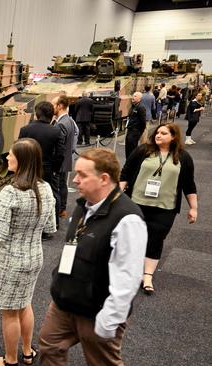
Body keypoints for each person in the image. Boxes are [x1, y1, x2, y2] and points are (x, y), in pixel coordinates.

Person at [39, 148, 147, 366]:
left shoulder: (127, 219)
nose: (75, 180)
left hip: (97, 311)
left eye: (82, 175)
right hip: (64, 303)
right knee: (49, 346)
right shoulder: (83, 204)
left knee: (101, 362)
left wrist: (109, 320)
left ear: (104, 179)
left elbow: (128, 277)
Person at [0, 138, 56, 366]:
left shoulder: (10, 192)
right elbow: (51, 228)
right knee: (25, 303)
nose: (6, 158)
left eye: (10, 154)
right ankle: (27, 352)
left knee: (9, 312)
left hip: (11, 259)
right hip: (35, 256)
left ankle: (11, 360)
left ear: (21, 160)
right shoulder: (46, 188)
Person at [120, 123, 198, 295]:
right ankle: (127, 271)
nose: (158, 135)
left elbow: (189, 185)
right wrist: (117, 196)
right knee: (131, 238)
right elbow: (125, 172)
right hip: (136, 203)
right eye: (158, 132)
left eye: (164, 133)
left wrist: (193, 208)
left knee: (155, 240)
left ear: (173, 137)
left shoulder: (183, 158)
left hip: (165, 208)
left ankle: (147, 276)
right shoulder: (143, 151)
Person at [18, 101, 64, 237]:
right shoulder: (56, 131)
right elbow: (60, 153)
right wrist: (55, 168)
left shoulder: (25, 129)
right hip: (47, 169)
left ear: (37, 114)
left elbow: (19, 150)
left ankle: (27, 225)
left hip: (28, 169)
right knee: (50, 197)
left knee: (27, 195)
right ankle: (49, 227)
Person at [52, 95, 78, 220]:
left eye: (54, 105)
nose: (52, 108)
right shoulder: (69, 121)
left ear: (60, 106)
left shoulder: (61, 124)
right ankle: (62, 208)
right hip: (66, 160)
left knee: (57, 187)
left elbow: (58, 147)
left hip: (60, 162)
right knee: (62, 185)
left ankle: (59, 210)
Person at [124, 92, 146, 159]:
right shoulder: (133, 106)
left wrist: (139, 132)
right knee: (127, 149)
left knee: (132, 150)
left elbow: (143, 122)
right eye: (133, 96)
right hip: (130, 130)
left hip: (135, 131)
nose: (133, 97)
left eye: (135, 96)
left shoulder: (141, 107)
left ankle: (132, 165)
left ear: (140, 98)